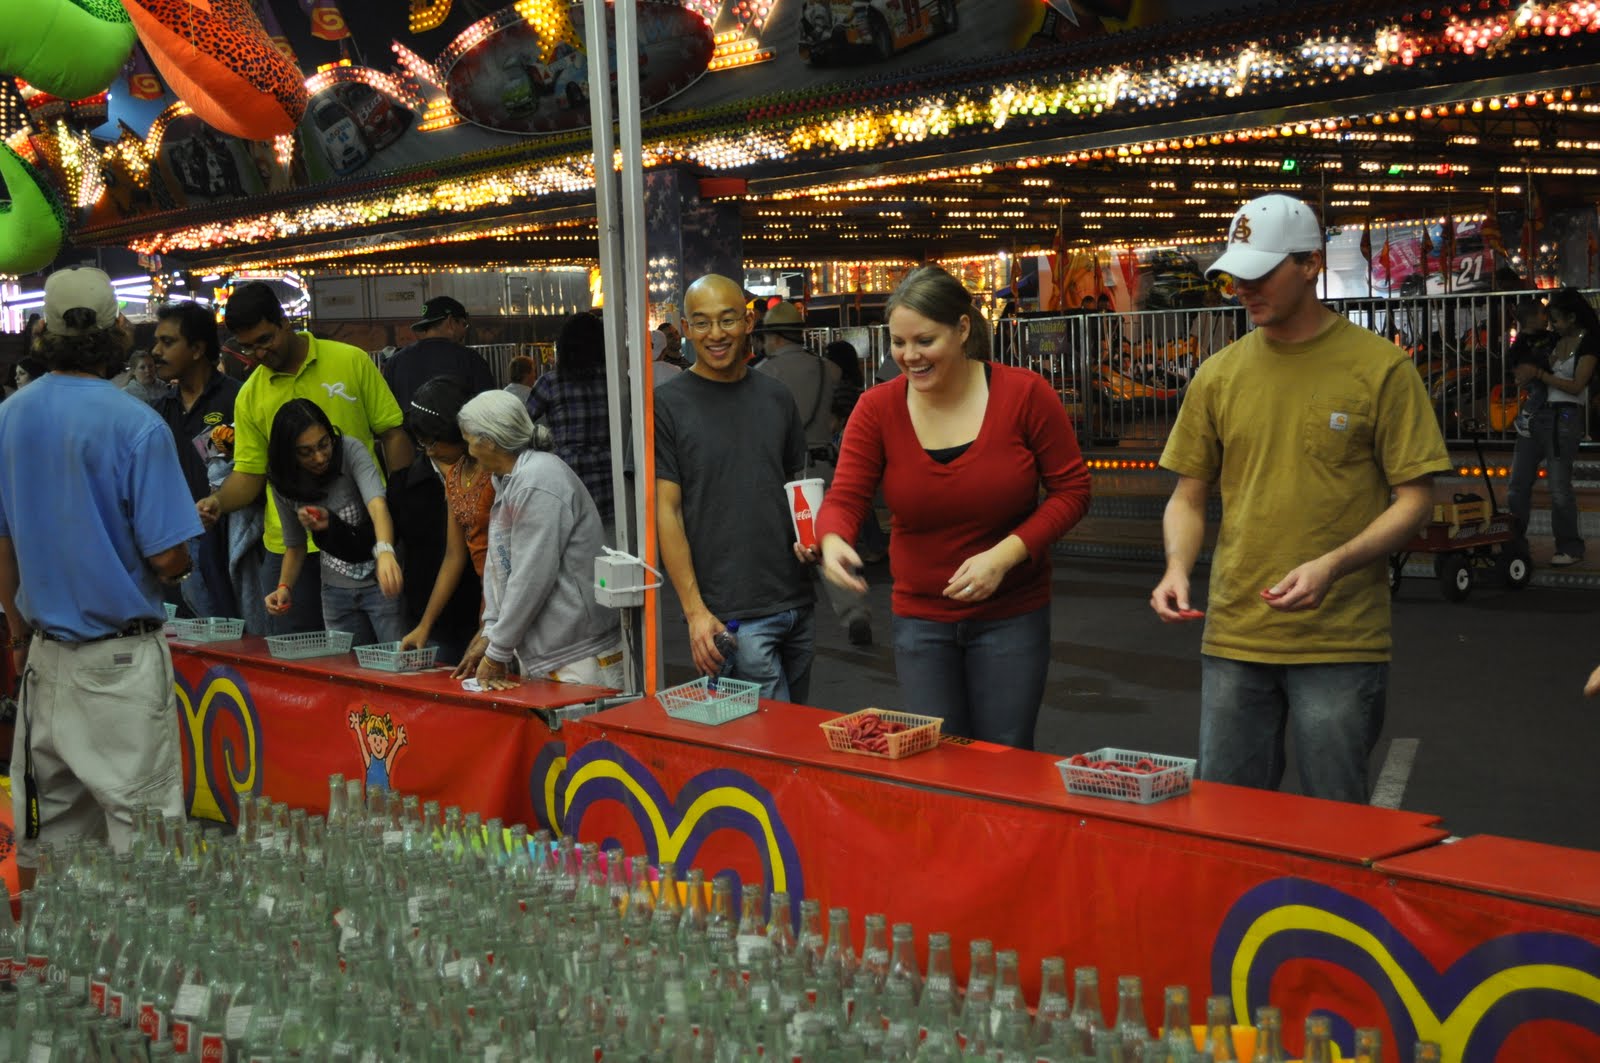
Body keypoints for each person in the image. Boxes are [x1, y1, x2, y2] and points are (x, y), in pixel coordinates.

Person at [1150, 193, 1452, 804]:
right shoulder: (1218, 375)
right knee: (1229, 820)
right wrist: (1177, 568)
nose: (1243, 287)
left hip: (1340, 638)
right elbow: (1188, 494)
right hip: (1235, 632)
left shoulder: (1380, 368)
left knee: (1333, 821)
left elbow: (1416, 498)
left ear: (1311, 264)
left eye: (1261, 273)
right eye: (1236, 274)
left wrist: (1333, 565)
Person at [815, 266, 1091, 748]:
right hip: (920, 620)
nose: (909, 356)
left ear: (963, 329)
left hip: (1013, 614)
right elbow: (845, 495)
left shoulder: (1025, 394)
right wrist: (834, 538)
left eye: (925, 341)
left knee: (1004, 756)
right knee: (937, 761)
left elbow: (1072, 491)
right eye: (898, 343)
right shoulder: (877, 409)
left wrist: (1005, 555)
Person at [0, 267, 199, 883]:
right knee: (146, 843)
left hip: (44, 659)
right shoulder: (137, 424)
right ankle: (141, 980)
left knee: (52, 842)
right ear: (118, 327)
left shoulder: (9, 416)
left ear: (42, 332)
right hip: (119, 665)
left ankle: (53, 972)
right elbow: (169, 558)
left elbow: (4, 539)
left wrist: (14, 626)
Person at [197, 281, 411, 636]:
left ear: (284, 321)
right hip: (290, 549)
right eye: (248, 348)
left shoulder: (349, 361)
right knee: (297, 659)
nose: (259, 354)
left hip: (362, 539)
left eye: (265, 340)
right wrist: (218, 502)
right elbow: (250, 474)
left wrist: (399, 508)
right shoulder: (250, 395)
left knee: (380, 651)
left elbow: (392, 433)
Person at [656, 274, 816, 701]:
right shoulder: (667, 405)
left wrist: (812, 536)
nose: (716, 334)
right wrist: (695, 613)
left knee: (796, 744)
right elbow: (665, 512)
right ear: (685, 330)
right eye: (702, 323)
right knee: (769, 748)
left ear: (748, 323)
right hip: (730, 616)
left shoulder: (776, 396)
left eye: (727, 320)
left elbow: (792, 488)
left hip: (796, 600)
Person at [451, 391, 622, 690]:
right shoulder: (510, 479)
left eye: (469, 440)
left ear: (489, 440)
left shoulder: (539, 479)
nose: (469, 450)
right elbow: (500, 564)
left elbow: (531, 575)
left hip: (578, 653)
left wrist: (498, 648)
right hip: (553, 652)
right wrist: (492, 629)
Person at [757, 305, 874, 646]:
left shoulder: (764, 374)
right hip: (824, 464)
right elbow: (842, 416)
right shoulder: (831, 369)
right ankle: (854, 612)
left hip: (783, 470)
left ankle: (777, 617)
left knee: (780, 543)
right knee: (829, 542)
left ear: (775, 337)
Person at [262, 399, 406, 645]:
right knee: (344, 671)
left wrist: (384, 552)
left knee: (396, 663)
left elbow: (377, 505)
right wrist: (284, 587)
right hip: (335, 591)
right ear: (288, 454)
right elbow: (295, 546)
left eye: (324, 444)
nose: (319, 457)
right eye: (306, 452)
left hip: (380, 582)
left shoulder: (350, 450)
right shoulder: (283, 480)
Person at [151, 300, 244, 622]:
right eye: (156, 341)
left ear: (196, 349)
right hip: (178, 550)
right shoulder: (160, 410)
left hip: (233, 546)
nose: (155, 351)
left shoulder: (237, 399)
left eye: (167, 342)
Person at [390, 377, 484, 665]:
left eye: (434, 442)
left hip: (497, 610)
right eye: (422, 443)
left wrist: (491, 627)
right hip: (448, 616)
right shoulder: (435, 482)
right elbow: (454, 556)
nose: (429, 450)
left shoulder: (497, 474)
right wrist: (425, 625)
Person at [1507, 287, 1598, 567]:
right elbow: (1523, 360)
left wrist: (1538, 374)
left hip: (1564, 418)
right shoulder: (1551, 340)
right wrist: (1526, 373)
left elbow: (1576, 386)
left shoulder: (1590, 344)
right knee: (1517, 485)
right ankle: (1514, 543)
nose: (1552, 324)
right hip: (1536, 417)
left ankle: (1569, 545)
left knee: (1559, 487)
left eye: (1556, 319)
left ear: (1571, 318)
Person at [526, 312, 614, 528]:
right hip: (612, 475)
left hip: (568, 475)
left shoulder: (550, 382)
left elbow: (520, 425)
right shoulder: (616, 379)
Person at [381, 295, 496, 411]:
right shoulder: (471, 359)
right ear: (450, 322)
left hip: (406, 429)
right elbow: (487, 409)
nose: (465, 330)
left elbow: (387, 409)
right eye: (463, 324)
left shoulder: (395, 362)